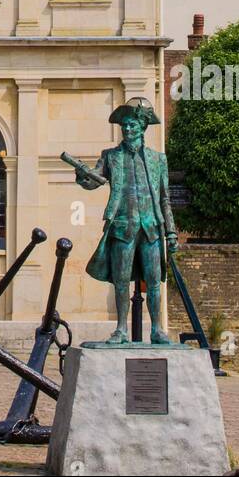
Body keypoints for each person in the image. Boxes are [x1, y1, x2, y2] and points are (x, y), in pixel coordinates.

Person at [63, 99, 178, 345]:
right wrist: (82, 176)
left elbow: (165, 199)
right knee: (121, 281)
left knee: (154, 281)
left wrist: (171, 232)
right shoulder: (110, 156)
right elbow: (94, 182)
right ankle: (121, 329)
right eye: (124, 126)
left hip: (152, 228)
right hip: (122, 226)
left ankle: (157, 329)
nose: (127, 130)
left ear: (143, 126)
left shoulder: (158, 159)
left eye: (132, 125)